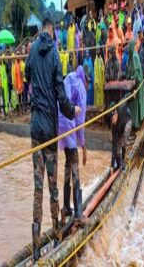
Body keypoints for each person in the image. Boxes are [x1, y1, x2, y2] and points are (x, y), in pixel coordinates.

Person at [25, 14, 80, 261]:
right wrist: (73, 111)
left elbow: (27, 77)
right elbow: (61, 94)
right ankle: (57, 235)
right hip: (49, 127)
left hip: (35, 127)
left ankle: (36, 248)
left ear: (40, 29)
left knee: (38, 188)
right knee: (53, 186)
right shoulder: (55, 54)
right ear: (52, 29)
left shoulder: (32, 51)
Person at [58, 66, 88, 226]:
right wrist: (84, 148)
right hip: (67, 121)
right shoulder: (81, 88)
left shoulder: (71, 76)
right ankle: (77, 213)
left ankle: (66, 207)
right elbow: (80, 123)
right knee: (75, 164)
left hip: (60, 121)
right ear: (87, 79)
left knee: (68, 162)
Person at [126, 40, 144, 129]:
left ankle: (136, 124)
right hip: (132, 84)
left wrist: (133, 80)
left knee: (135, 105)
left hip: (136, 86)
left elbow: (137, 72)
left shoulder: (134, 56)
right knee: (132, 105)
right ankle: (134, 123)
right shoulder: (130, 58)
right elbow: (128, 71)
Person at [110, 100, 132, 172]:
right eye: (111, 120)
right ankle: (118, 164)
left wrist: (133, 95)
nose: (113, 121)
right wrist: (112, 165)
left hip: (127, 124)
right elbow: (114, 144)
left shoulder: (122, 113)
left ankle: (123, 162)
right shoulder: (113, 125)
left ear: (116, 113)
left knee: (123, 142)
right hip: (119, 129)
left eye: (113, 118)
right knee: (116, 149)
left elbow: (126, 97)